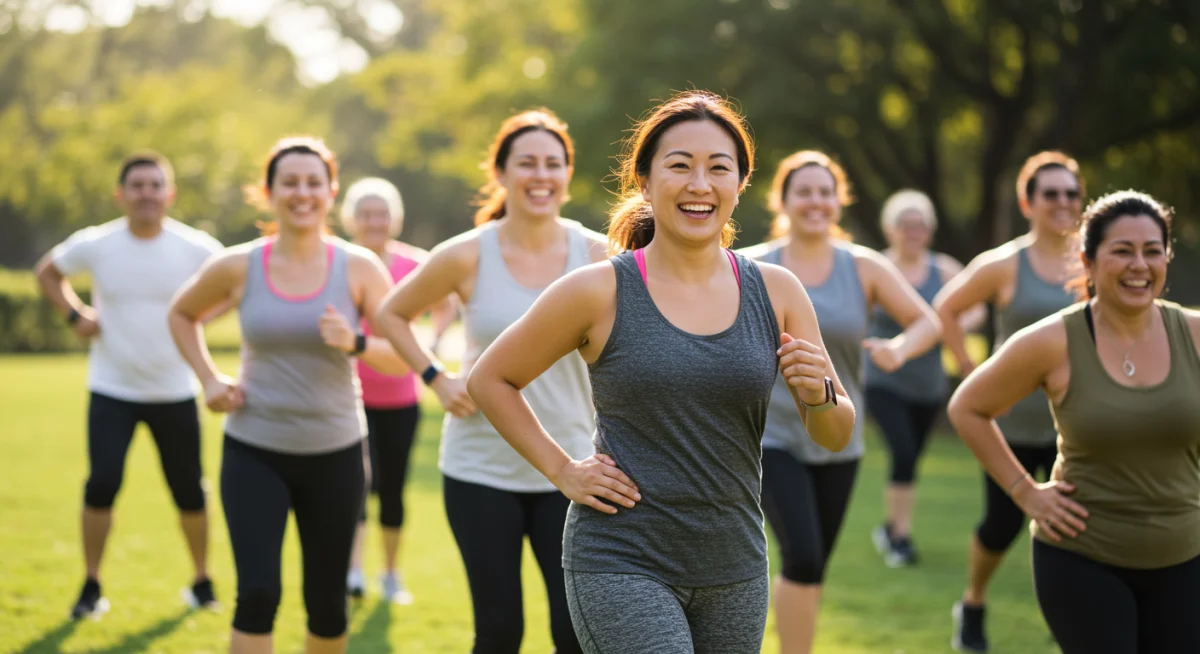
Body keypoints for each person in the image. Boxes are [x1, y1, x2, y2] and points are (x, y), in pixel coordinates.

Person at [465, 91, 856, 654]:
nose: (700, 184)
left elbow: (834, 432)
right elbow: (490, 378)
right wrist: (563, 470)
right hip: (621, 559)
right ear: (645, 181)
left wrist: (818, 390)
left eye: (718, 168)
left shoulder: (777, 291)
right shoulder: (597, 290)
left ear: (739, 184)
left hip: (734, 566)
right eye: (679, 166)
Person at [375, 109, 606, 654]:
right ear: (500, 173)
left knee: (575, 635)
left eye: (553, 164)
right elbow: (391, 313)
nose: (540, 175)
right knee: (499, 631)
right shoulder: (465, 253)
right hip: (480, 469)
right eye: (526, 163)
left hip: (572, 469)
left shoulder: (598, 255)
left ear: (567, 176)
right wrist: (435, 377)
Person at [167, 136, 407, 654]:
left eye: (313, 182)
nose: (302, 193)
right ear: (269, 192)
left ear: (330, 191)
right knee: (256, 592)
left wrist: (357, 340)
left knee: (327, 600)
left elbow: (403, 354)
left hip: (336, 454)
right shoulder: (239, 265)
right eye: (289, 182)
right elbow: (181, 314)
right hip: (255, 450)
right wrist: (208, 378)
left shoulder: (359, 267)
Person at [947, 190, 1200, 653]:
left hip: (1186, 558)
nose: (1139, 265)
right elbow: (968, 407)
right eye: (1122, 251)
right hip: (1082, 558)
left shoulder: (1195, 334)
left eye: (1152, 250)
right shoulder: (1052, 341)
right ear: (1087, 259)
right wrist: (1025, 491)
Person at [737, 151, 941, 654]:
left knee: (813, 564)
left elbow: (928, 321)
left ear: (838, 201)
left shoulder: (863, 267)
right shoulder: (753, 265)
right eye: (803, 191)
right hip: (772, 435)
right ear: (782, 201)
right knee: (802, 555)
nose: (815, 201)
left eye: (824, 192)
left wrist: (898, 348)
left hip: (838, 438)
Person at [35, 151, 225, 620]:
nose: (146, 194)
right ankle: (91, 585)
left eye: (155, 185)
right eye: (137, 186)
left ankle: (201, 581)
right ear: (120, 194)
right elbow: (48, 271)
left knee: (189, 491)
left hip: (175, 390)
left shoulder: (196, 247)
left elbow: (238, 286)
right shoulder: (98, 244)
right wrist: (74, 315)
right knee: (101, 485)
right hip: (112, 388)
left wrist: (202, 319)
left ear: (170, 194)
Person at [934, 150, 1085, 652]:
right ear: (1029, 202)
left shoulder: (1097, 258)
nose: (1062, 202)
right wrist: (971, 375)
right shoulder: (1004, 265)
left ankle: (1081, 617)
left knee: (1082, 527)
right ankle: (973, 602)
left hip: (1079, 426)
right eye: (1051, 193)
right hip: (1010, 425)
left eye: (1071, 193)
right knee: (1002, 526)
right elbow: (947, 309)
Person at [338, 177, 453, 605]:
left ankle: (389, 573)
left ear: (395, 219)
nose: (374, 222)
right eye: (366, 214)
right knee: (354, 487)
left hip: (401, 396)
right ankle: (353, 571)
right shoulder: (341, 261)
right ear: (352, 219)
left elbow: (446, 304)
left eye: (382, 213)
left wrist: (433, 342)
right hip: (349, 395)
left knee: (392, 489)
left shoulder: (414, 264)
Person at [864, 189, 985, 567]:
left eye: (921, 225)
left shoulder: (944, 269)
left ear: (929, 231)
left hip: (929, 385)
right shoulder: (877, 266)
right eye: (906, 224)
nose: (914, 232)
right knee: (901, 450)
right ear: (890, 229)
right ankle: (899, 538)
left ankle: (889, 527)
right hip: (883, 379)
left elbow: (976, 307)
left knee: (910, 459)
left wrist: (950, 326)